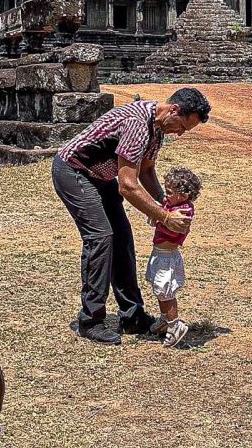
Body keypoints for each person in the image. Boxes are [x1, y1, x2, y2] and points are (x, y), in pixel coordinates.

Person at [52, 86, 211, 346]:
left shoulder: (157, 129)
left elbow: (147, 171)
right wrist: (164, 217)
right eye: (182, 126)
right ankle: (90, 320)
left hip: (100, 177)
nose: (180, 133)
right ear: (174, 110)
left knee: (122, 238)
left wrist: (163, 203)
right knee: (101, 238)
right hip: (74, 171)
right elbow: (127, 185)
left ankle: (132, 316)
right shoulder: (138, 123)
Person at [145, 165, 202, 348]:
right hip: (159, 253)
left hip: (167, 256)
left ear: (184, 195)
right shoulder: (170, 206)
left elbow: (173, 227)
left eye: (170, 191)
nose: (165, 195)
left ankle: (174, 324)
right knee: (159, 289)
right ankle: (164, 320)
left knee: (165, 291)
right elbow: (159, 217)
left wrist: (161, 218)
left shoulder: (184, 211)